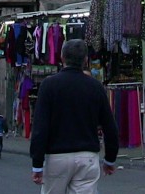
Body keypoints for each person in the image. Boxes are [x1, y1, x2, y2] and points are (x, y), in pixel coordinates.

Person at [30, 39, 119, 193]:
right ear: (86, 60)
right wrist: (110, 158)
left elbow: (40, 127)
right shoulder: (95, 87)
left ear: (62, 58)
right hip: (87, 156)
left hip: (57, 157)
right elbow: (109, 126)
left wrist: (37, 163)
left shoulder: (49, 86)